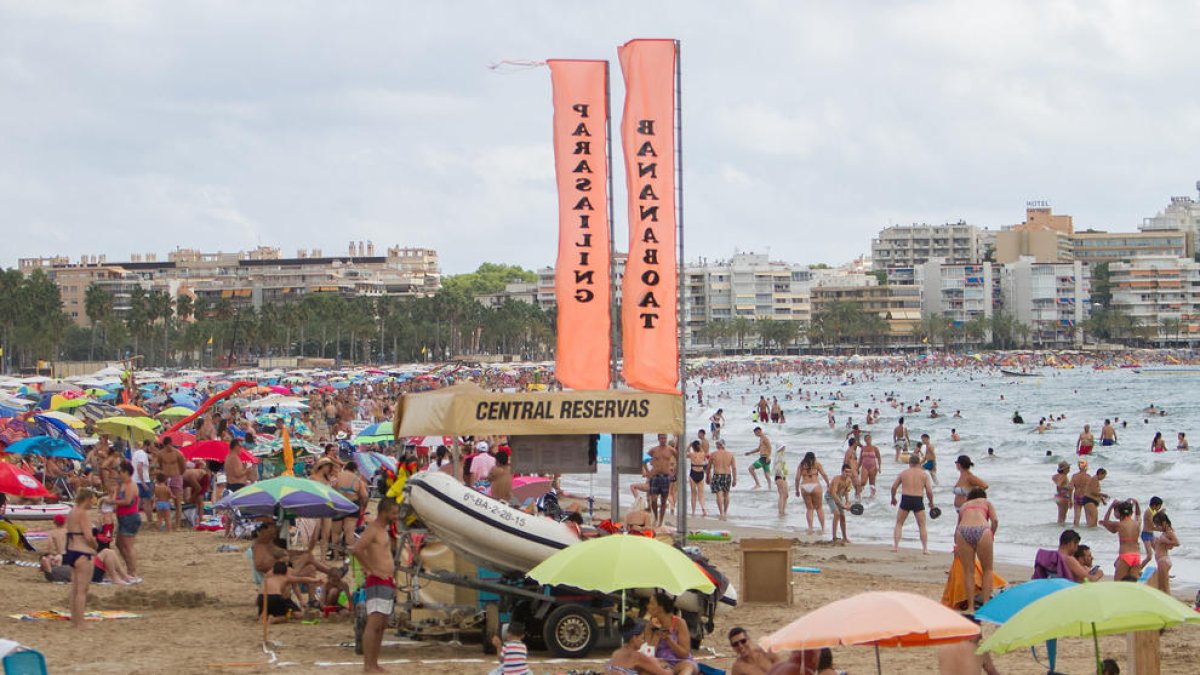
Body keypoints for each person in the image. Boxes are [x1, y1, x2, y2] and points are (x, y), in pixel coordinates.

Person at [352, 498, 400, 674]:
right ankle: (368, 665)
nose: (396, 517)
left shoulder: (383, 530)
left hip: (386, 580)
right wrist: (370, 569)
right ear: (384, 512)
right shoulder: (372, 529)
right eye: (394, 513)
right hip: (377, 580)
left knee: (381, 624)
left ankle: (374, 663)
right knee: (374, 623)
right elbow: (356, 549)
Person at [954, 488, 998, 613]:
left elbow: (957, 526)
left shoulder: (964, 505)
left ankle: (971, 607)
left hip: (962, 531)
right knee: (987, 570)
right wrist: (992, 533)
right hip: (982, 530)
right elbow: (994, 521)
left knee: (968, 572)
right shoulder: (986, 502)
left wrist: (956, 545)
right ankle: (986, 605)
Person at [65, 488, 100, 629]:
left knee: (74, 589)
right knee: (82, 590)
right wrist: (96, 546)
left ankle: (75, 620)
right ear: (87, 499)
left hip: (72, 551)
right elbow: (88, 536)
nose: (93, 503)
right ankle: (81, 622)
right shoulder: (83, 514)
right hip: (83, 552)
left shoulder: (72, 512)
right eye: (92, 499)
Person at [643, 592, 697, 674]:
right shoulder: (649, 626)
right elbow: (649, 654)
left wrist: (669, 640)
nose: (648, 606)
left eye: (652, 603)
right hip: (662, 662)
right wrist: (656, 636)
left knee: (687, 667)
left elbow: (684, 654)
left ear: (660, 608)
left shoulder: (679, 623)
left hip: (681, 661)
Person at [890, 454, 935, 554]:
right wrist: (931, 502)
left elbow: (893, 487)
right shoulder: (924, 475)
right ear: (919, 463)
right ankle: (925, 549)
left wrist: (893, 498)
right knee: (922, 525)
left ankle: (896, 547)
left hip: (906, 498)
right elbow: (929, 491)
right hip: (918, 499)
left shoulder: (903, 473)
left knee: (899, 523)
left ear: (909, 463)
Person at [111, 461, 142, 580]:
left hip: (130, 517)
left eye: (120, 472)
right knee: (119, 543)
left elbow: (127, 501)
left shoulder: (130, 485)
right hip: (123, 517)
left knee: (129, 546)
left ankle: (132, 571)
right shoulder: (123, 484)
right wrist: (115, 492)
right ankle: (129, 567)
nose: (119, 474)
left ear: (126, 472)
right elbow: (117, 497)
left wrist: (113, 502)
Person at [1100, 498, 1142, 581]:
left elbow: (1105, 522)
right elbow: (1138, 515)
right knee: (1132, 584)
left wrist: (1111, 506)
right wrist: (1137, 503)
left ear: (1120, 513)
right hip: (1136, 555)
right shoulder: (1137, 523)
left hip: (1125, 555)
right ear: (1131, 512)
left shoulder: (1119, 524)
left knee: (1118, 583)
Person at [332, 461, 367, 559]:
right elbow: (364, 495)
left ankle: (335, 555)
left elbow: (330, 491)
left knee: (335, 533)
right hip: (352, 506)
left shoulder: (337, 476)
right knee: (349, 532)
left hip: (338, 505)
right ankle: (349, 557)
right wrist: (362, 506)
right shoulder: (357, 480)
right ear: (355, 469)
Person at [795, 452, 830, 534]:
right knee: (819, 508)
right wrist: (828, 483)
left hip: (804, 486)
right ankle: (823, 528)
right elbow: (824, 474)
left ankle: (810, 528)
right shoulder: (817, 464)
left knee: (809, 508)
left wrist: (797, 490)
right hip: (815, 486)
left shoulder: (801, 465)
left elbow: (797, 478)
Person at [647, 434, 675, 528]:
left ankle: (660, 521)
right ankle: (655, 516)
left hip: (666, 477)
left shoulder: (671, 450)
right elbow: (645, 459)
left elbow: (680, 459)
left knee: (663, 501)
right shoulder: (653, 450)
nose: (663, 440)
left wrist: (674, 472)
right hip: (655, 476)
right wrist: (648, 472)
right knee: (654, 500)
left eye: (665, 438)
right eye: (661, 438)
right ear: (658, 439)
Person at [1149, 511, 1179, 596]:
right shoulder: (1164, 533)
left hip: (1163, 561)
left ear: (1164, 522)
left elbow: (1177, 543)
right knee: (1160, 587)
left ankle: (1169, 606)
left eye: (1158, 525)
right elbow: (1167, 547)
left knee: (1165, 588)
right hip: (1162, 560)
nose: (1157, 527)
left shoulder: (1169, 532)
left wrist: (1165, 541)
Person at [709, 439, 736, 521]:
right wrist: (735, 479)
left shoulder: (713, 454)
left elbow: (708, 467)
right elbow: (734, 468)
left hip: (717, 475)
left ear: (718, 446)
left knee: (719, 494)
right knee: (726, 494)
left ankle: (721, 513)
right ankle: (725, 511)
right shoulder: (730, 455)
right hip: (727, 475)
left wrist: (707, 476)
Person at [826, 464, 853, 544]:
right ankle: (834, 537)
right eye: (846, 472)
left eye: (849, 472)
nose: (847, 474)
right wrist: (842, 505)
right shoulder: (837, 479)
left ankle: (845, 538)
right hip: (830, 496)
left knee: (843, 517)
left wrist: (847, 502)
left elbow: (846, 492)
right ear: (842, 471)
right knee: (837, 514)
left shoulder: (849, 481)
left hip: (839, 497)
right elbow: (833, 493)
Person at [686, 440, 709, 518]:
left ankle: (693, 512)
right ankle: (703, 509)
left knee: (693, 494)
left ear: (693, 447)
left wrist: (689, 446)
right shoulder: (703, 454)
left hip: (693, 473)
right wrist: (700, 446)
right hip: (700, 473)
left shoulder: (692, 454)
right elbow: (704, 453)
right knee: (701, 494)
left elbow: (685, 453)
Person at [1069, 460, 1091, 527]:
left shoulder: (1074, 476)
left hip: (1077, 496)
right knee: (1088, 517)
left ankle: (1075, 529)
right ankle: (1090, 531)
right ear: (1086, 467)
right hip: (1086, 497)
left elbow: (1070, 488)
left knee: (1077, 516)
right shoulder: (1088, 477)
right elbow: (1091, 489)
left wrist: (1070, 500)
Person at [858, 433, 881, 497]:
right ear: (865, 440)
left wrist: (879, 467)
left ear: (871, 439)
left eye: (869, 438)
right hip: (864, 466)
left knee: (872, 482)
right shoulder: (863, 448)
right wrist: (857, 468)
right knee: (863, 482)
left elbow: (879, 458)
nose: (868, 440)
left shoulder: (875, 448)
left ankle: (872, 496)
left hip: (873, 467)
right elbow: (860, 459)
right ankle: (858, 494)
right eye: (866, 439)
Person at [772, 445, 789, 518]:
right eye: (783, 447)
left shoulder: (781, 455)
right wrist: (782, 476)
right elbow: (777, 468)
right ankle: (781, 511)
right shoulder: (779, 456)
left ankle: (782, 510)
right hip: (780, 477)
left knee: (786, 495)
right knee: (782, 495)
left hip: (782, 477)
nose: (785, 448)